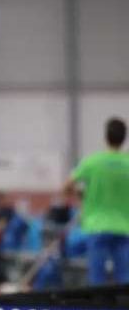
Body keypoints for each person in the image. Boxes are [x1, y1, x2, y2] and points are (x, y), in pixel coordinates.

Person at [64, 117, 129, 286]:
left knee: (97, 280)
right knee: (124, 279)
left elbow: (67, 186)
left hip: (97, 226)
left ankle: (98, 302)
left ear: (106, 137)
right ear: (124, 138)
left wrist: (82, 195)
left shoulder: (93, 162)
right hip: (124, 227)